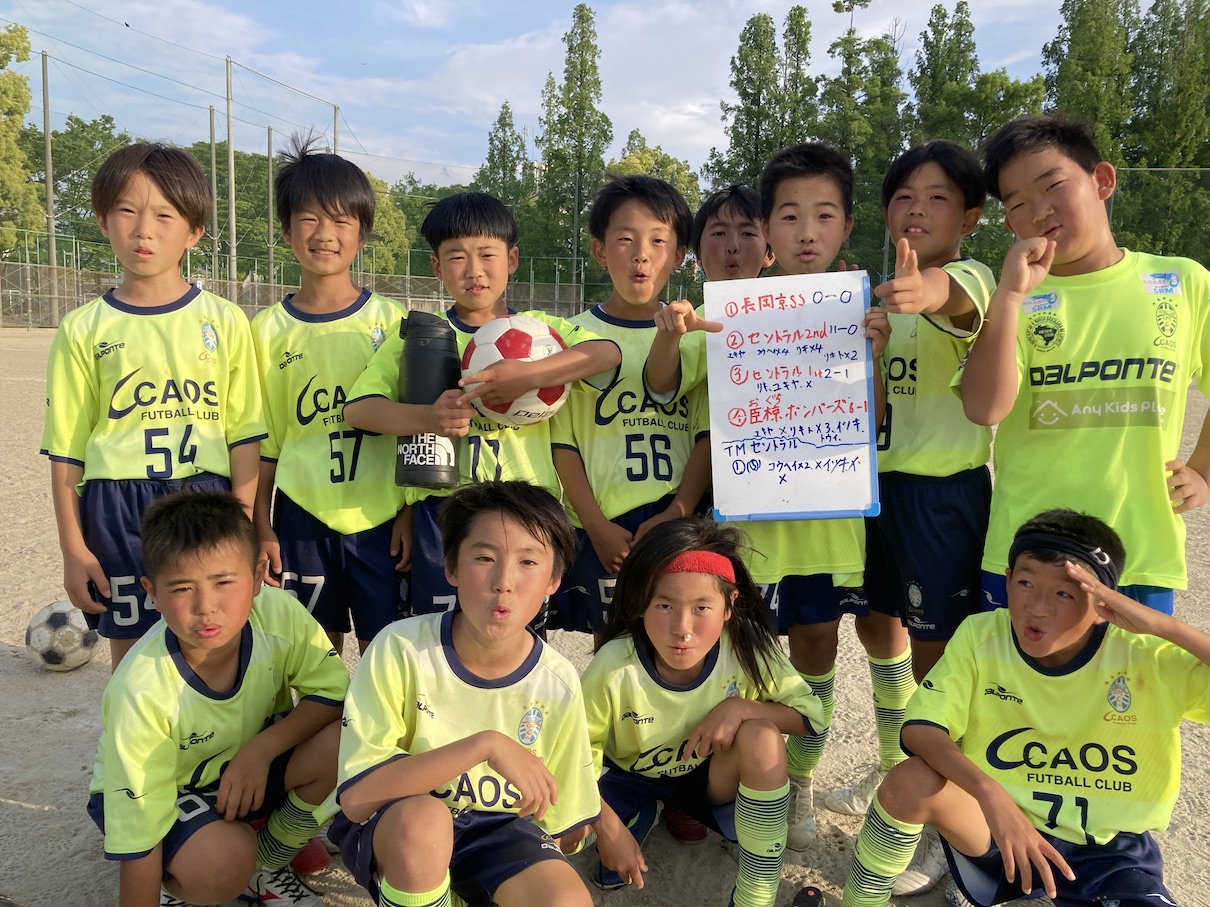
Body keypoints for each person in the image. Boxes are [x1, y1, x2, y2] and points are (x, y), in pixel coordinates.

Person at [645, 144, 891, 850]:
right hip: (747, 526)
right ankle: (751, 779)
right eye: (789, 215)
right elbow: (664, 384)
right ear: (772, 229)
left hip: (827, 522)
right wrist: (670, 335)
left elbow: (872, 420)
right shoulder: (727, 316)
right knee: (743, 652)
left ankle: (800, 782)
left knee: (816, 648)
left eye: (822, 215)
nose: (806, 231)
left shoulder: (854, 308)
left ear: (845, 225)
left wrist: (871, 356)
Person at [839, 507, 1210, 907]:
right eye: (1026, 583)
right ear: (1007, 580)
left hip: (1107, 855)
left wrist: (1164, 626)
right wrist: (992, 795)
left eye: (1065, 593)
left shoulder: (1148, 658)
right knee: (911, 781)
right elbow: (920, 729)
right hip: (999, 829)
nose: (1038, 607)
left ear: (1103, 602)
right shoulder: (983, 635)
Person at [822, 142, 1000, 894]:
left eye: (936, 198)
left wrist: (922, 291)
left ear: (971, 216)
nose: (916, 210)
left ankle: (944, 818)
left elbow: (950, 297)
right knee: (878, 628)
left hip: (940, 496)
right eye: (903, 197)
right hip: (873, 486)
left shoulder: (973, 279)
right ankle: (899, 763)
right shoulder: (872, 297)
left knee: (938, 661)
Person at [961, 115, 1210, 615]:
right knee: (1014, 670)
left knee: (1135, 670)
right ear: (1009, 224)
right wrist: (1008, 297)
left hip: (1139, 554)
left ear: (1102, 180)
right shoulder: (1011, 299)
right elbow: (985, 408)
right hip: (1025, 555)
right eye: (1017, 204)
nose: (1040, 211)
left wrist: (1202, 472)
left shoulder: (1184, 282)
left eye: (1052, 186)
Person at [343, 192, 620, 624]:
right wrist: (429, 418)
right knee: (441, 638)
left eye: (487, 254)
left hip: (527, 508)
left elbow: (606, 353)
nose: (474, 270)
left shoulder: (544, 332)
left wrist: (530, 374)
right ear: (437, 267)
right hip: (445, 513)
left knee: (519, 636)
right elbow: (359, 410)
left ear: (512, 259)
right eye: (457, 257)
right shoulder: (420, 336)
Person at [41, 143, 265, 670]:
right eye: (127, 210)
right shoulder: (82, 328)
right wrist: (74, 549)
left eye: (165, 215)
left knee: (211, 641)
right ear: (103, 220)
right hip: (117, 503)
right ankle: (135, 726)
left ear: (194, 231)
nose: (144, 230)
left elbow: (244, 436)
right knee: (133, 653)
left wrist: (245, 527)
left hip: (205, 495)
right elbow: (67, 452)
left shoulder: (225, 320)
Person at [330, 481, 600, 907]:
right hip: (401, 821)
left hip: (498, 832)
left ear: (554, 580)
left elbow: (563, 824)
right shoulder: (400, 648)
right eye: (485, 557)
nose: (504, 582)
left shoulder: (559, 681)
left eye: (528, 561)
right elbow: (357, 799)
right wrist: (485, 745)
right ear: (451, 568)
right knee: (424, 825)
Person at [86, 491, 348, 907]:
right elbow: (138, 827)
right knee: (220, 866)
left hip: (245, 765)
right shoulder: (141, 688)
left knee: (348, 740)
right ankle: (180, 879)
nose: (205, 608)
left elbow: (332, 695)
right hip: (169, 790)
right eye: (182, 588)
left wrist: (260, 751)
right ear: (152, 592)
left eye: (224, 582)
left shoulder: (280, 615)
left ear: (258, 575)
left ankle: (266, 866)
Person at [577, 517, 826, 907]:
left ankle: (755, 894)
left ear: (729, 606)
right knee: (561, 834)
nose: (682, 628)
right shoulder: (613, 665)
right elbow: (574, 756)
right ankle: (641, 811)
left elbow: (812, 717)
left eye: (702, 607)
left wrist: (739, 708)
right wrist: (607, 827)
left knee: (761, 737)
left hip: (706, 776)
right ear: (641, 602)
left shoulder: (746, 646)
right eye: (664, 605)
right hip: (628, 776)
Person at [251, 136, 408, 654]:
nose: (324, 234)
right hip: (303, 516)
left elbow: (415, 428)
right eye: (309, 219)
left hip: (382, 517)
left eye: (341, 220)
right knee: (315, 654)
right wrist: (260, 525)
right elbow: (264, 442)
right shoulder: (265, 331)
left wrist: (409, 511)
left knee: (387, 654)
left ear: (362, 233)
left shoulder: (392, 321)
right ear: (286, 229)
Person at [549, 174, 708, 640]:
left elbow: (705, 436)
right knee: (611, 642)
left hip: (673, 517)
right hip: (602, 522)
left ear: (680, 255)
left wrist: (678, 511)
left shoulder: (695, 337)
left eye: (658, 240)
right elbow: (563, 444)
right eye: (625, 239)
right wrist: (595, 525)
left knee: (677, 640)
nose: (642, 254)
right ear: (600, 251)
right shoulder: (571, 337)